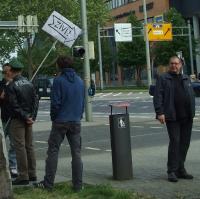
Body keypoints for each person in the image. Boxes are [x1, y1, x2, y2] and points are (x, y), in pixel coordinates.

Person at [34, 55, 85, 191]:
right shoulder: (80, 81)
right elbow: (82, 102)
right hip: (75, 121)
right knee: (77, 153)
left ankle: (48, 184)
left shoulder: (58, 81)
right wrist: (78, 116)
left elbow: (55, 103)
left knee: (53, 151)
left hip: (61, 121)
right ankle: (78, 185)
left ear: (59, 66)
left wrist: (54, 117)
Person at [153, 56, 195, 182]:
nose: (174, 66)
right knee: (175, 142)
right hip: (172, 117)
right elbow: (158, 96)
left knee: (184, 144)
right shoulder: (163, 78)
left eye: (176, 63)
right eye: (172, 63)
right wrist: (160, 113)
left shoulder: (186, 78)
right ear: (169, 64)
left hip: (187, 116)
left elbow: (190, 95)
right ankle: (171, 170)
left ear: (181, 64)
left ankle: (180, 169)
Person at [6, 58, 38, 185]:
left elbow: (14, 106)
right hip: (29, 119)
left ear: (11, 70)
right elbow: (36, 101)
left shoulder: (12, 85)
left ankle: (23, 175)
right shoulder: (29, 83)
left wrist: (25, 117)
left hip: (18, 120)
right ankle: (32, 173)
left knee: (20, 147)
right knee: (29, 146)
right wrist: (32, 117)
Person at [0, 63, 18, 178]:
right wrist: (7, 84)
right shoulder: (2, 84)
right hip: (3, 118)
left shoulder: (15, 83)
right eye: (6, 72)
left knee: (13, 144)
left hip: (13, 118)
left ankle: (13, 166)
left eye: (9, 71)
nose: (8, 73)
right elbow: (1, 96)